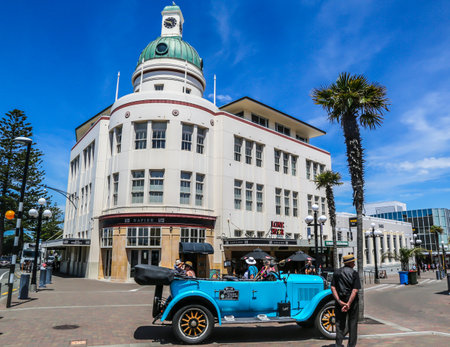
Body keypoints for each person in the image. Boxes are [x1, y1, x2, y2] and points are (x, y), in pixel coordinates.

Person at [331, 254, 361, 347]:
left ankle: (338, 344)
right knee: (352, 323)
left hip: (340, 300)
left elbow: (333, 287)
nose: (355, 263)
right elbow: (355, 290)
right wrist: (348, 303)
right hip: (352, 302)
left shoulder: (337, 272)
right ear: (350, 263)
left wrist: (339, 301)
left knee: (339, 323)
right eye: (353, 262)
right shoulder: (354, 273)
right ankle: (351, 345)